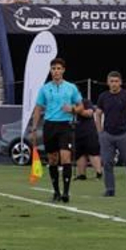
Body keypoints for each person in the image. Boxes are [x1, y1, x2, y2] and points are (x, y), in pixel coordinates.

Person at [28, 57, 83, 202]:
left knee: (65, 157)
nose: (56, 71)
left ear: (63, 70)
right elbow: (38, 108)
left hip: (65, 125)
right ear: (50, 71)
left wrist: (72, 109)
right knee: (53, 159)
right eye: (53, 69)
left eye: (59, 68)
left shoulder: (71, 87)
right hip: (50, 125)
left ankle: (66, 192)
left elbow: (81, 106)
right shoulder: (45, 88)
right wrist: (34, 127)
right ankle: (56, 191)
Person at [94, 71, 126, 197]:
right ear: (108, 82)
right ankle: (110, 189)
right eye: (111, 81)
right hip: (107, 135)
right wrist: (100, 131)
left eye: (116, 81)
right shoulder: (103, 96)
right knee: (107, 162)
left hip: (124, 134)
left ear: (120, 82)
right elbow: (98, 114)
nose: (114, 84)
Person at [73, 96, 103, 182]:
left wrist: (75, 110)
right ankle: (81, 174)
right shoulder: (67, 103)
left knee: (92, 152)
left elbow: (89, 113)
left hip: (88, 131)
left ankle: (99, 173)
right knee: (79, 153)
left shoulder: (85, 101)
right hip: (76, 131)